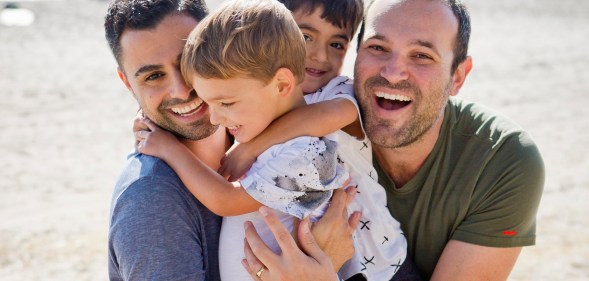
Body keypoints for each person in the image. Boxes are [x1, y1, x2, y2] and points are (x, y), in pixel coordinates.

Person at [242, 0, 545, 280]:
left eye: (422, 56)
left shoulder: (501, 160)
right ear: (355, 57)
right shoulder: (312, 128)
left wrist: (324, 271)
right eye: (378, 48)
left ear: (458, 77)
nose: (393, 72)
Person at [134, 0, 417, 280]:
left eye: (337, 44)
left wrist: (171, 149)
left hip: (376, 268)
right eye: (306, 36)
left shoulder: (313, 142)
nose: (317, 54)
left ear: (281, 84)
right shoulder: (264, 106)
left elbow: (226, 200)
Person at [103, 0, 226, 280]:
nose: (181, 90)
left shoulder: (267, 139)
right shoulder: (152, 201)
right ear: (128, 84)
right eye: (154, 76)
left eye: (188, 61)